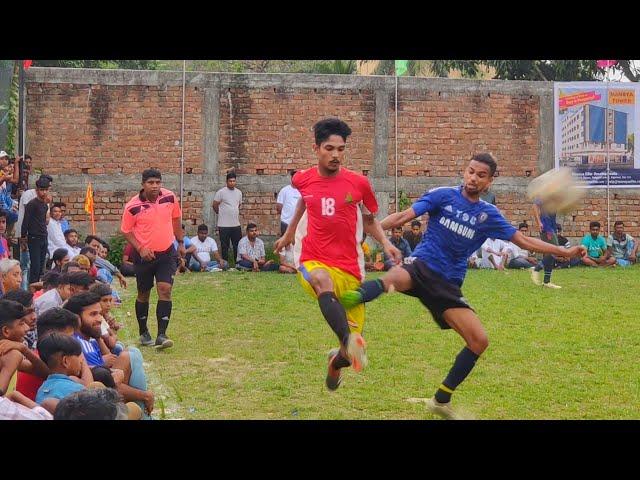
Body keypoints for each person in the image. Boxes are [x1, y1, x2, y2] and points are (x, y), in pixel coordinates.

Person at [339, 153, 586, 419]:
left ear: (489, 182)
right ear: (464, 172)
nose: (473, 178)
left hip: (448, 285)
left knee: (479, 341)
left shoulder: (488, 215)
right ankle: (346, 298)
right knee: (393, 279)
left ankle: (440, 400)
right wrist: (366, 234)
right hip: (421, 266)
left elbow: (524, 242)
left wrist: (564, 251)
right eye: (470, 171)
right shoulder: (442, 195)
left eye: (481, 175)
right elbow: (403, 216)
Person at [274, 118, 402, 391]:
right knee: (322, 281)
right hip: (313, 258)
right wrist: (290, 233)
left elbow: (369, 220)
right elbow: (304, 200)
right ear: (316, 148)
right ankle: (346, 340)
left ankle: (337, 360)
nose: (335, 155)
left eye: (341, 149)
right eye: (329, 148)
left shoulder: (359, 183)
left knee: (351, 356)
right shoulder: (302, 178)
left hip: (350, 267)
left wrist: (386, 242)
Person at [121, 168, 185, 350]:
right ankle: (143, 331)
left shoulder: (170, 197)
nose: (155, 186)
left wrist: (180, 242)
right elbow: (126, 231)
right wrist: (140, 248)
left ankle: (162, 335)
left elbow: (176, 220)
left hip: (166, 252)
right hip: (144, 257)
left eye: (158, 182)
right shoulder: (132, 206)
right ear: (143, 184)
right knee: (144, 294)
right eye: (151, 183)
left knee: (165, 289)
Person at [65, 292, 155, 417]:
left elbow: (111, 360)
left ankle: (144, 413)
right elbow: (106, 383)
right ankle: (145, 413)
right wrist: (145, 395)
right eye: (93, 314)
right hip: (99, 402)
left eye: (100, 314)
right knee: (130, 355)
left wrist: (98, 338)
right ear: (77, 318)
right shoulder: (77, 345)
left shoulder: (89, 339)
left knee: (131, 352)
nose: (99, 319)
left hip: (107, 392)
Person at [0, 299, 49, 396]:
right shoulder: (12, 355)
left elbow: (45, 373)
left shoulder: (12, 354)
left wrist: (24, 349)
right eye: (21, 324)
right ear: (6, 331)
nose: (27, 328)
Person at [35, 333, 87, 411]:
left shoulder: (42, 389)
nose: (81, 361)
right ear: (65, 361)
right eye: (78, 356)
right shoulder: (77, 390)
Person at [21, 175, 51, 284]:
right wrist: (23, 238)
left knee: (41, 267)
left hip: (44, 236)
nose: (44, 192)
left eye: (46, 190)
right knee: (35, 266)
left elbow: (44, 222)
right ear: (37, 190)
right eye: (41, 190)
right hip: (34, 237)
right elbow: (25, 222)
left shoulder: (44, 205)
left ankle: (37, 288)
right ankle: (32, 289)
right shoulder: (31, 204)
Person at [531, 195, 562, 288]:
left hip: (552, 227)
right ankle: (536, 268)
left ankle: (546, 281)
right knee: (554, 251)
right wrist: (539, 222)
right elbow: (535, 206)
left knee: (550, 253)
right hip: (546, 227)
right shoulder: (544, 192)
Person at [213, 171, 243, 264]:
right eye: (230, 181)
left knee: (237, 245)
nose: (232, 183)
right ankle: (225, 264)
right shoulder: (221, 192)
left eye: (234, 181)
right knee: (224, 246)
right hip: (223, 224)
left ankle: (237, 264)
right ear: (226, 182)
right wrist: (220, 213)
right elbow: (215, 205)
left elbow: (239, 205)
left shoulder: (239, 192)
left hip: (235, 224)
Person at [276, 170, 301, 235]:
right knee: (286, 243)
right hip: (286, 222)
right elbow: (279, 208)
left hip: (300, 223)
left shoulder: (303, 190)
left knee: (298, 243)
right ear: (291, 178)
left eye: (298, 177)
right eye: (294, 177)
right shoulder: (284, 190)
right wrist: (287, 215)